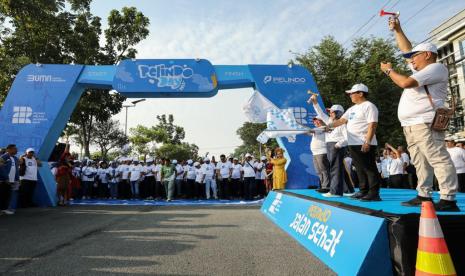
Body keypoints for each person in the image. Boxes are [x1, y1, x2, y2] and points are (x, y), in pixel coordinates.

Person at [380, 17, 459, 211]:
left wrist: (389, 70)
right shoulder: (423, 68)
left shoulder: (436, 68)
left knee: (437, 157)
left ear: (427, 54)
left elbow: (405, 82)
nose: (411, 59)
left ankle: (448, 198)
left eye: (415, 56)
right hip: (411, 124)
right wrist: (397, 30)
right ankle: (424, 195)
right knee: (420, 161)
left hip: (424, 122)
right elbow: (406, 49)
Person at [328, 83, 381, 201]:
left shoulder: (369, 106)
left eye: (352, 93)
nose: (350, 96)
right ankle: (363, 191)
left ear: (361, 94)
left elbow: (372, 125)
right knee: (359, 168)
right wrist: (328, 126)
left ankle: (374, 193)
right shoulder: (352, 109)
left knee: (369, 168)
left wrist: (367, 142)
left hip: (364, 142)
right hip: (353, 143)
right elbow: (341, 120)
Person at [310, 95, 348, 196]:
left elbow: (347, 138)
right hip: (330, 146)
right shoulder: (329, 121)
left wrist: (338, 145)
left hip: (337, 146)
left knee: (335, 169)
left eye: (331, 112)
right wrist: (315, 102)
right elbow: (320, 113)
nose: (329, 113)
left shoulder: (342, 124)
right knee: (337, 169)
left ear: (338, 113)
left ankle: (335, 192)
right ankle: (347, 190)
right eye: (330, 112)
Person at [307, 115, 330, 194]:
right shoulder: (316, 130)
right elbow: (307, 133)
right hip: (315, 153)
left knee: (324, 170)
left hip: (322, 152)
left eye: (318, 120)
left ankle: (327, 186)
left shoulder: (323, 128)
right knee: (318, 171)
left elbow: (309, 131)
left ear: (322, 121)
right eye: (314, 121)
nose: (316, 122)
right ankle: (323, 185)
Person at [0, 144, 19, 214]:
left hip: (13, 180)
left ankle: (5, 209)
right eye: (14, 149)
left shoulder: (15, 158)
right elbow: (2, 168)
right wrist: (6, 178)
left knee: (8, 195)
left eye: (16, 149)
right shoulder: (4, 157)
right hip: (5, 180)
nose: (16, 150)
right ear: (9, 149)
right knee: (2, 194)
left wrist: (17, 179)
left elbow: (16, 169)